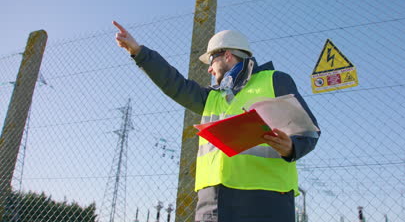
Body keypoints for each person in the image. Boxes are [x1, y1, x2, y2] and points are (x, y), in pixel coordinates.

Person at [113, 20, 320, 222]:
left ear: (227, 55)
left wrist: (291, 147)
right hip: (212, 201)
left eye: (211, 61)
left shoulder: (274, 80)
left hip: (265, 198)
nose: (209, 70)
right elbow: (174, 84)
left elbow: (308, 131)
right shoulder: (211, 97)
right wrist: (138, 52)